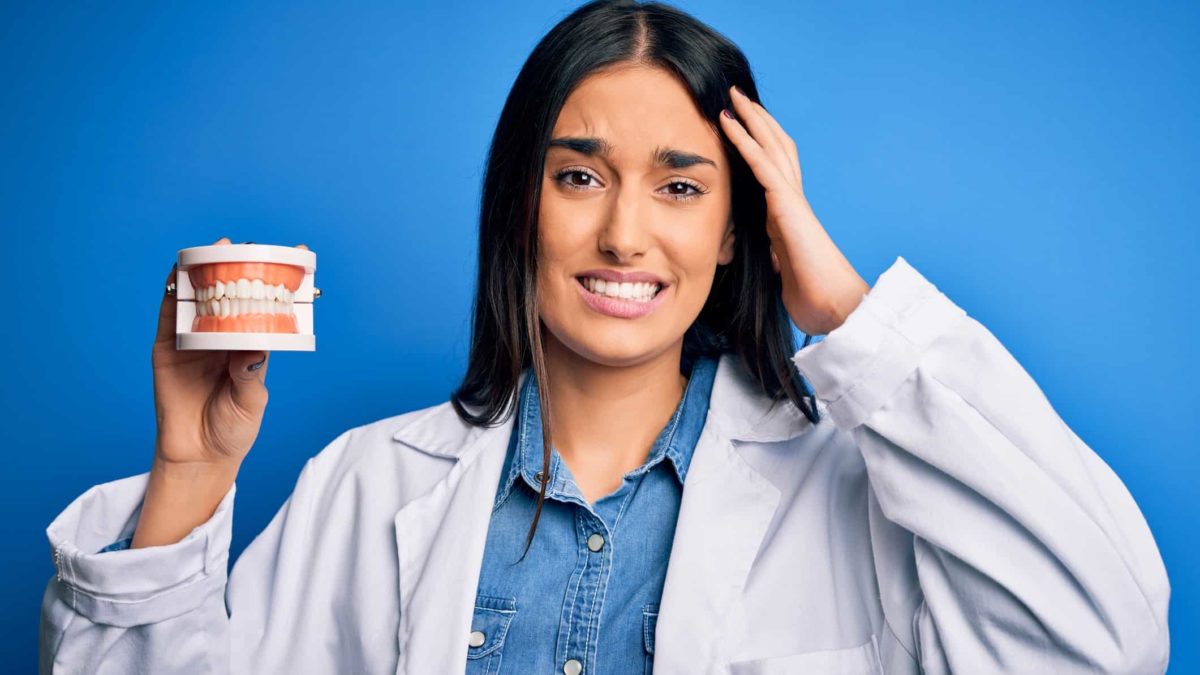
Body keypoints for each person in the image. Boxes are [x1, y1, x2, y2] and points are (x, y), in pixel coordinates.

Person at [39, 1, 1170, 673]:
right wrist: (191, 469)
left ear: (740, 230)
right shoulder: (369, 486)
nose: (624, 234)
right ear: (519, 205)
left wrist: (850, 313)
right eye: (579, 175)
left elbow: (1103, 641)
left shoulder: (856, 499)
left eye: (682, 188)